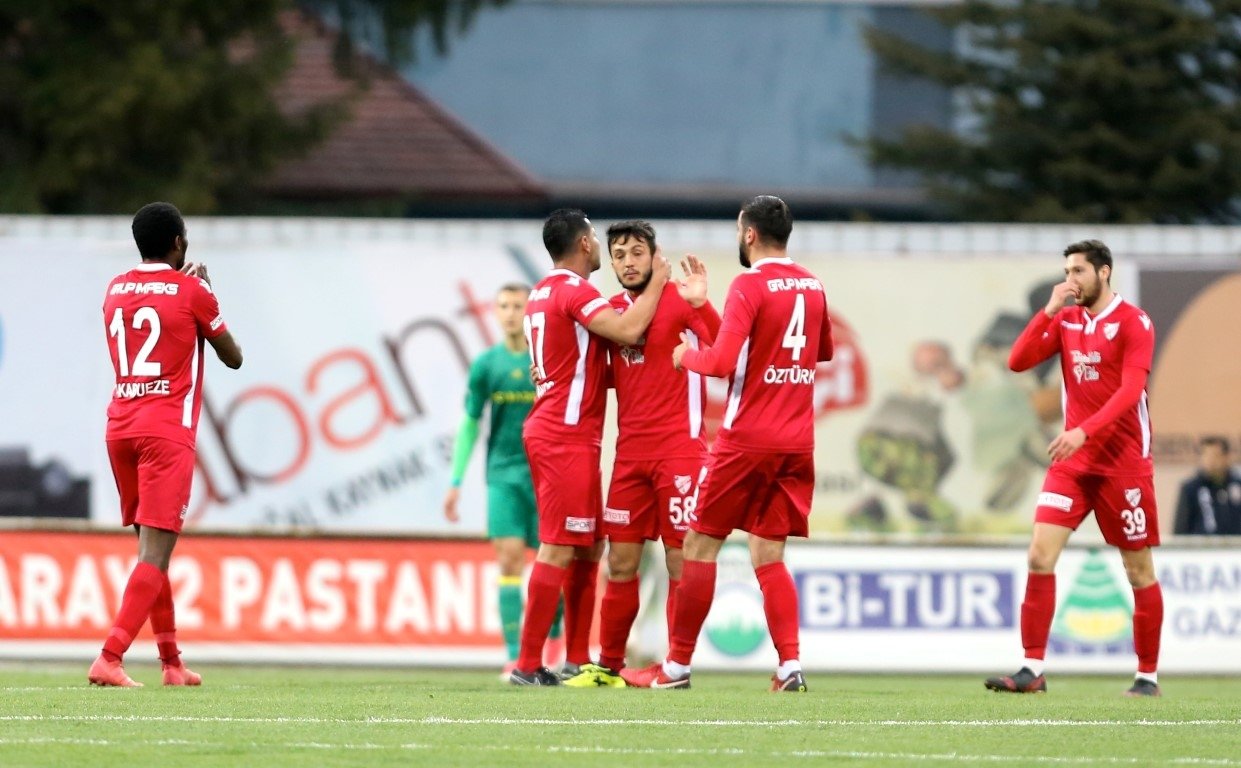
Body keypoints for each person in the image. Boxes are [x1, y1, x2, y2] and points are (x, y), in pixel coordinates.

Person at [627, 195, 834, 692]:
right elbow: (817, 351)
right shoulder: (812, 284)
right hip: (796, 441)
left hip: (747, 440)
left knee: (699, 543)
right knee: (769, 553)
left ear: (748, 234)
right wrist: (702, 306)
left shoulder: (749, 283)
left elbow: (719, 363)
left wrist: (683, 356)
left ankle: (675, 667)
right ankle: (790, 667)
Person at [985, 239, 1163, 697]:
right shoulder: (1066, 320)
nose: (1070, 280)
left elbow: (1129, 393)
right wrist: (1047, 311)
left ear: (1104, 273)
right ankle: (1032, 670)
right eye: (1067, 271)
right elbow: (1018, 360)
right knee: (1039, 556)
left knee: (1138, 570)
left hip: (1123, 465)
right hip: (1072, 463)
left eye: (1079, 271)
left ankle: (1147, 676)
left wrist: (1084, 430)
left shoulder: (1133, 323)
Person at [509, 209, 669, 686]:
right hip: (563, 434)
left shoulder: (542, 291)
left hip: (566, 432)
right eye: (597, 239)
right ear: (583, 244)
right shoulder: (576, 290)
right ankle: (526, 664)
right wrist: (657, 282)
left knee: (587, 547)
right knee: (558, 547)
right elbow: (627, 331)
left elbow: (589, 360)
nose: (602, 247)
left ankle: (578, 658)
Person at [560, 221, 721, 688]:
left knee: (679, 561)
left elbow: (722, 348)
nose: (628, 262)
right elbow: (598, 373)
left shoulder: (678, 299)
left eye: (636, 252)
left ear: (655, 256)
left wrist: (702, 304)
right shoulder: (610, 312)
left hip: (680, 454)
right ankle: (608, 666)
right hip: (629, 456)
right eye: (619, 254)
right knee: (621, 562)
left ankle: (675, 666)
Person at [90, 202, 243, 687]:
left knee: (150, 552)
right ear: (178, 242)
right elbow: (234, 358)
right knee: (155, 555)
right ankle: (110, 657)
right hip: (164, 433)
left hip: (121, 428)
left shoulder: (115, 289)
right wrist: (206, 296)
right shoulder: (193, 291)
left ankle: (171, 662)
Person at [443, 283, 566, 679]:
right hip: (503, 476)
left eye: (518, 305)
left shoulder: (547, 361)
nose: (511, 312)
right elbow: (469, 423)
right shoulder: (486, 365)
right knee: (510, 560)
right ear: (495, 313)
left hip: (547, 475)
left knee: (554, 562)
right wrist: (456, 480)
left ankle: (556, 643)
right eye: (504, 306)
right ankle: (514, 656)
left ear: (529, 312)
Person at [1173, 436, 1241, 535]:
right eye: (1206, 455)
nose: (1210, 461)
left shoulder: (1237, 485)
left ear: (1226, 457)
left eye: (1215, 456)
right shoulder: (1191, 489)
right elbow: (1180, 529)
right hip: (1201, 549)